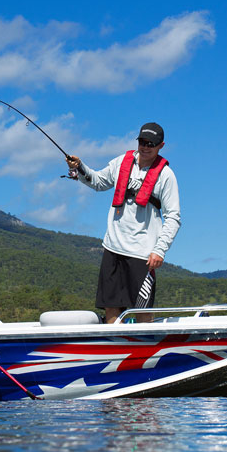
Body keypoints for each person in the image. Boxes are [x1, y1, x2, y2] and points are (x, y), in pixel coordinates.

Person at [65, 122, 181, 324]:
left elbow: (173, 217)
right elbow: (99, 181)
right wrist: (80, 168)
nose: (145, 147)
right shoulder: (122, 162)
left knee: (142, 309)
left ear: (161, 146)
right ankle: (115, 348)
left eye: (150, 144)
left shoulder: (166, 176)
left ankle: (145, 350)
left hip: (142, 253)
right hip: (113, 247)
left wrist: (160, 250)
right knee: (111, 304)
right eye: (142, 142)